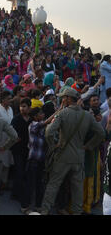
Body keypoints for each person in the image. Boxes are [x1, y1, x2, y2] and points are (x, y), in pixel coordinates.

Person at [39, 87, 105, 215]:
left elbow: (48, 132)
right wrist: (88, 146)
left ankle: (44, 211)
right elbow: (101, 133)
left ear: (69, 99)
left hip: (63, 155)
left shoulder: (62, 113)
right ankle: (76, 212)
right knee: (77, 188)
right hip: (79, 156)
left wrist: (54, 145)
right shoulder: (86, 115)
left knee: (53, 185)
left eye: (64, 97)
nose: (62, 99)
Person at [9, 98, 32, 202]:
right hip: (18, 149)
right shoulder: (16, 119)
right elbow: (11, 133)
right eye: (21, 106)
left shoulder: (32, 119)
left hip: (29, 149)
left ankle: (22, 192)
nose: (22, 108)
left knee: (26, 172)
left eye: (24, 106)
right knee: (19, 171)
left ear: (29, 107)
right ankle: (16, 194)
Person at [0, 91, 14, 194]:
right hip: (0, 139)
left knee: (7, 163)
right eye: (8, 99)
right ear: (3, 100)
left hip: (9, 139)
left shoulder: (10, 109)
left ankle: (4, 183)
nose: (10, 100)